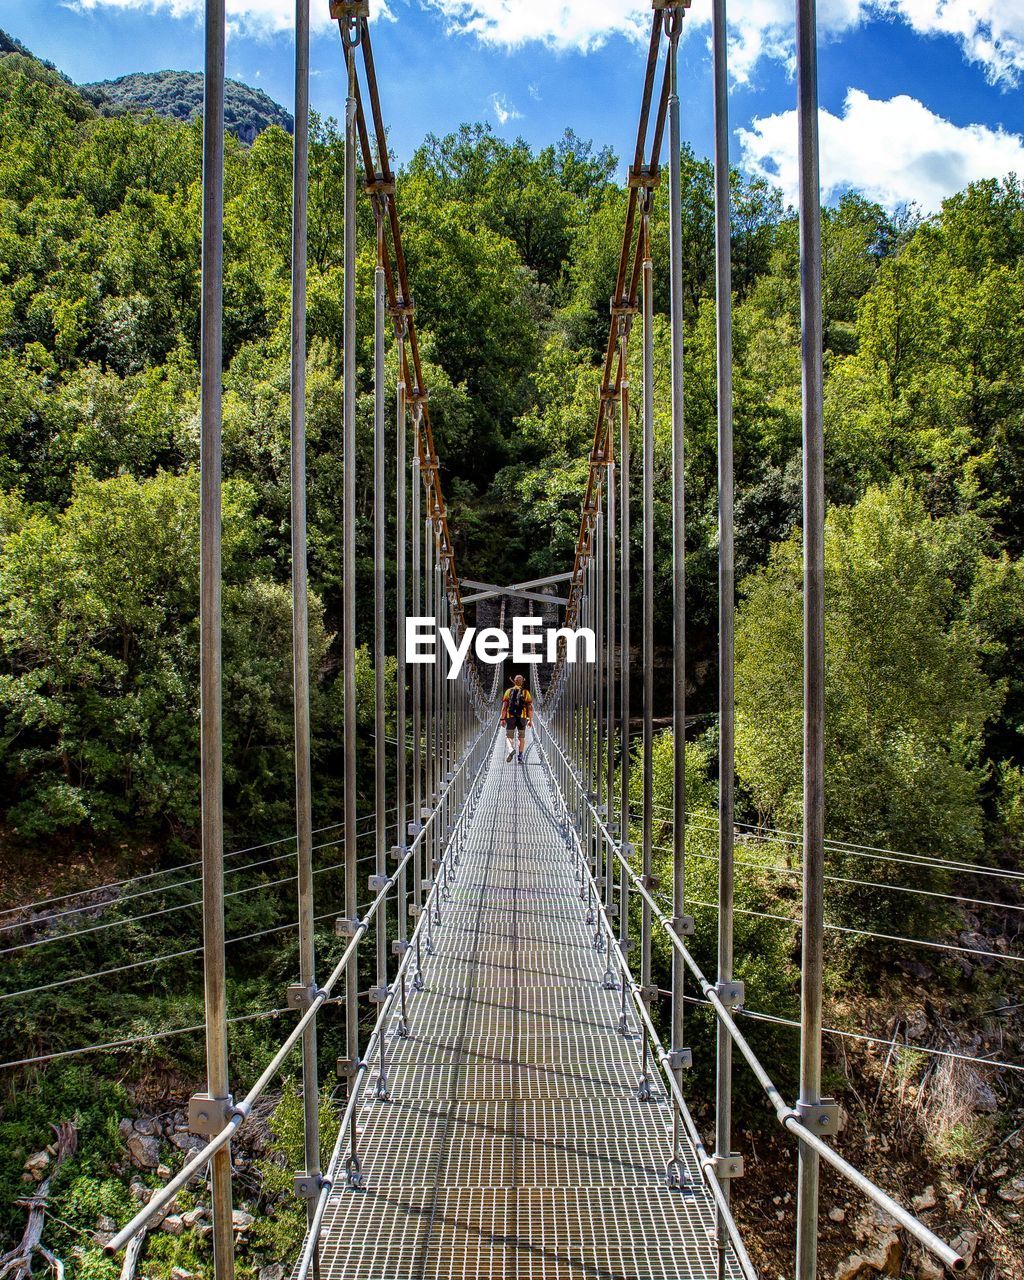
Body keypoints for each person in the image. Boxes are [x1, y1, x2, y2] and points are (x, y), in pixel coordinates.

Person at [500, 674, 533, 763]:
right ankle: (520, 756)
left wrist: (502, 719)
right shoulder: (526, 692)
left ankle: (511, 749)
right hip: (522, 718)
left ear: (514, 681)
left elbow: (504, 706)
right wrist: (530, 720)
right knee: (521, 737)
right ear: (522, 682)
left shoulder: (508, 691)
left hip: (510, 717)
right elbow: (530, 708)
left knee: (509, 736)